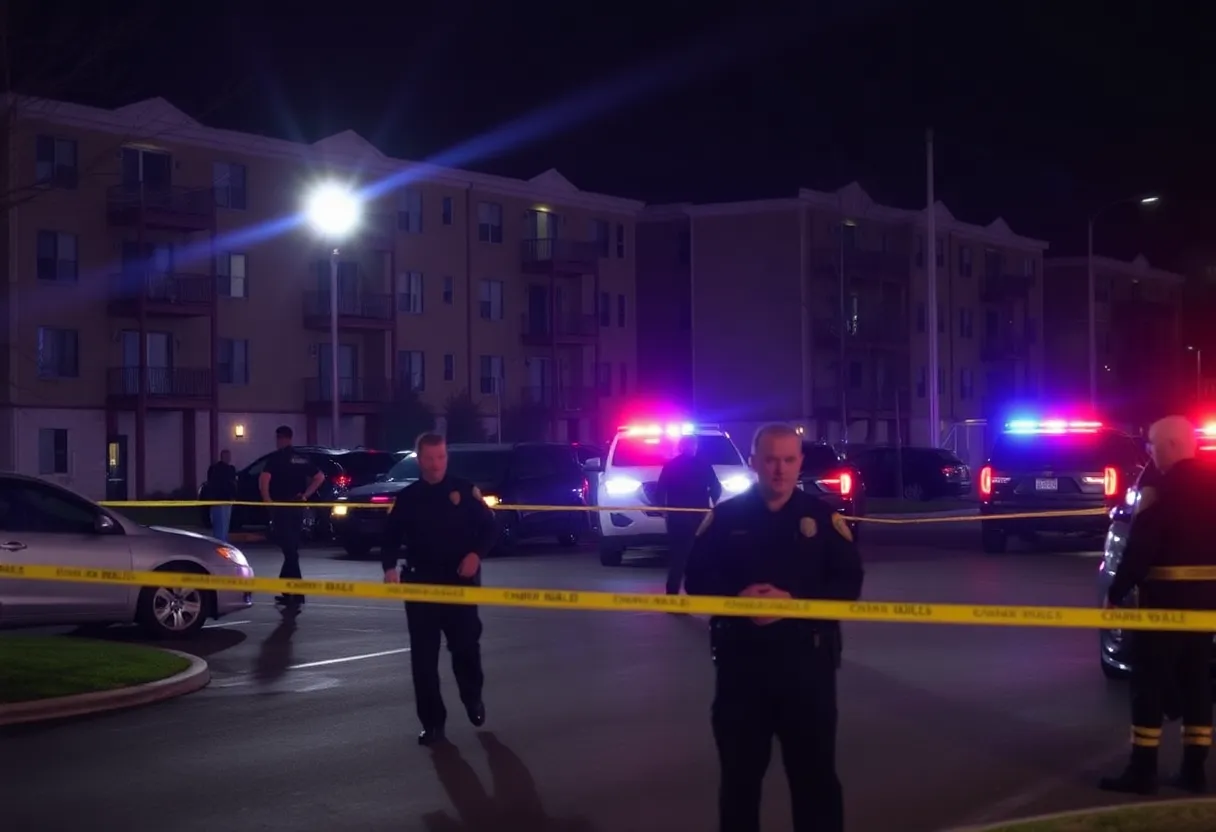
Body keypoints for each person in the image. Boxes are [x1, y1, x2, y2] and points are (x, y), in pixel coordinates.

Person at [685, 422, 864, 832]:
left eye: (788, 460)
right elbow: (696, 581)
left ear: (800, 462)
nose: (779, 470)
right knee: (739, 786)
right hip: (741, 672)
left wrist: (793, 602)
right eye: (770, 459)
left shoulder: (822, 519)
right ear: (753, 463)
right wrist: (739, 598)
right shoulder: (726, 519)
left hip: (808, 670)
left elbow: (848, 584)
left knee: (815, 783)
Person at [1101, 415, 1216, 795]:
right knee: (1197, 683)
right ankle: (1194, 771)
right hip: (1205, 608)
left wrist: (1116, 593)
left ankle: (1142, 770)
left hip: (1163, 604)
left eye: (1151, 445)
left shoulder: (1162, 489)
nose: (1149, 452)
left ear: (1169, 445)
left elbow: (1140, 549)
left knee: (1147, 683)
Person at [382, 432, 500, 747]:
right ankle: (433, 724)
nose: (436, 465)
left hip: (460, 584)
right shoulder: (408, 498)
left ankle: (472, 698)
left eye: (441, 457)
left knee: (465, 649)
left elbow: (490, 528)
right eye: (430, 458)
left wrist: (476, 554)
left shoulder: (464, 491)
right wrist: (389, 567)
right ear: (419, 459)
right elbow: (391, 536)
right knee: (423, 660)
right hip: (421, 584)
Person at [258, 425, 324, 609]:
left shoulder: (276, 458)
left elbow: (264, 479)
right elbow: (320, 477)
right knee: (291, 549)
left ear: (280, 438)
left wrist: (267, 500)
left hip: (281, 508)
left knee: (290, 551)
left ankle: (295, 591)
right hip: (296, 507)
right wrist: (306, 495)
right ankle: (289, 591)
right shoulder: (301, 458)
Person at [656, 434, 722, 595]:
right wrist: (714, 505)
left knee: (678, 557)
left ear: (680, 447)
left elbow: (659, 491)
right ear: (695, 447)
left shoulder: (670, 465)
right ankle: (694, 594)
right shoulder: (704, 465)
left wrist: (663, 510)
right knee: (698, 556)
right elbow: (716, 488)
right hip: (699, 516)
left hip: (676, 518)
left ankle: (672, 594)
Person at [206, 450, 237, 542]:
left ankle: (222, 542)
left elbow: (233, 484)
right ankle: (220, 543)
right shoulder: (216, 469)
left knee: (224, 525)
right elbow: (212, 484)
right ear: (222, 457)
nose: (228, 458)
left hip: (225, 500)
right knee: (220, 524)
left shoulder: (230, 469)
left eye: (229, 456)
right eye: (226, 456)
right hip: (219, 501)